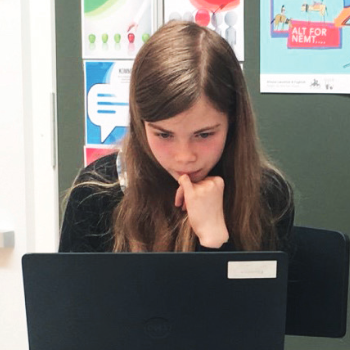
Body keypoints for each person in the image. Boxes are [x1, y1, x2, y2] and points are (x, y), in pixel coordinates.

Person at [59, 20, 294, 253]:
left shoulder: (267, 195)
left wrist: (215, 240)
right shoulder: (95, 192)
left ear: (232, 121)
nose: (184, 157)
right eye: (163, 134)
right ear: (141, 125)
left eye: (203, 134)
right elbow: (69, 290)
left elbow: (259, 291)